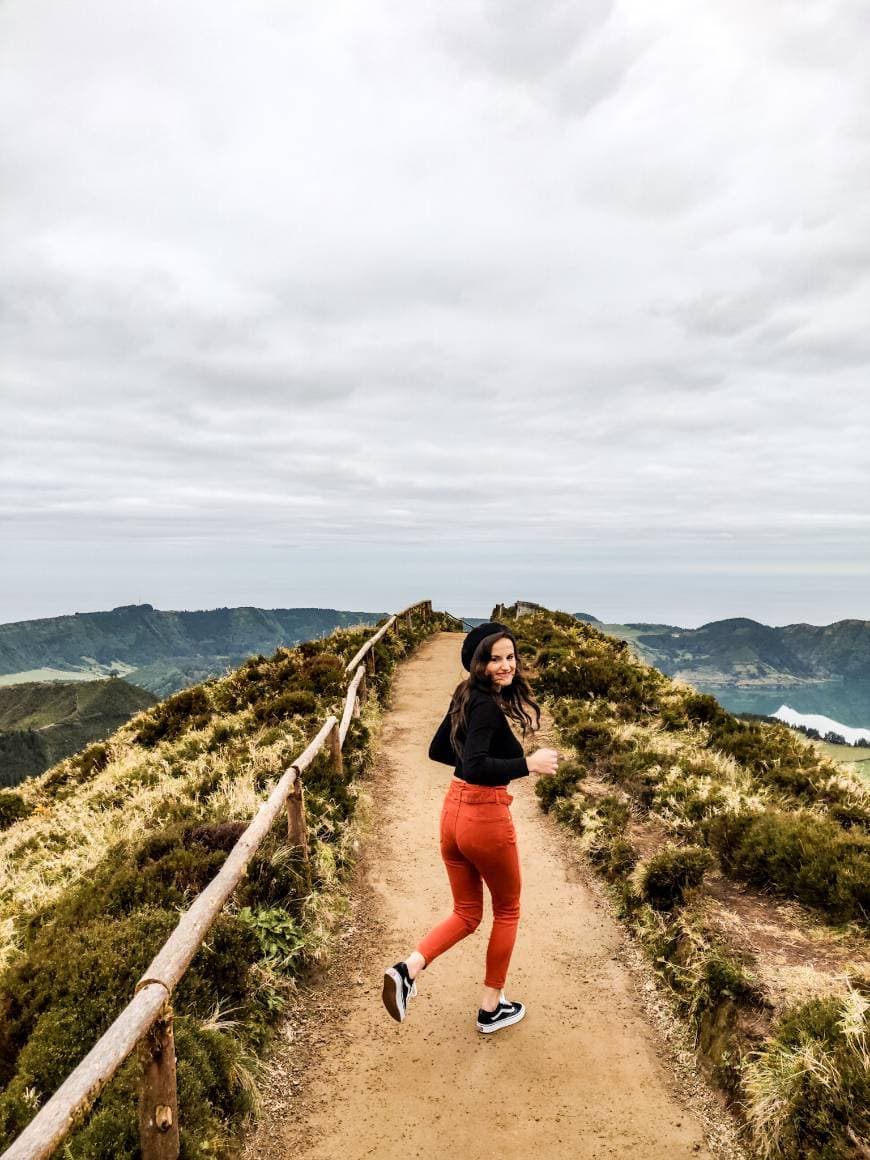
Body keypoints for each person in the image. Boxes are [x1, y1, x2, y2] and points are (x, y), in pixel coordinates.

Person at [381, 621, 559, 1033]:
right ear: (477, 663)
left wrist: (478, 762)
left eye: (510, 657)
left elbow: (441, 750)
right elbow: (477, 764)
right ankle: (490, 1007)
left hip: (453, 814)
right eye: (494, 659)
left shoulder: (467, 696)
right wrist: (527, 764)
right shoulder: (484, 705)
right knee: (508, 909)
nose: (505, 666)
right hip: (485, 818)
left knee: (466, 912)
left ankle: (408, 970)